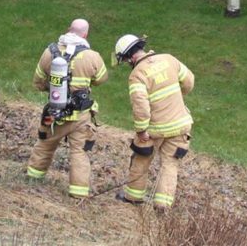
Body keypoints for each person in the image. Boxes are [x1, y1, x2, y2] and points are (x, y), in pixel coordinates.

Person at [26, 18, 109, 199]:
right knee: (79, 152)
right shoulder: (91, 56)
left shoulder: (50, 52)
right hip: (80, 116)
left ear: (68, 30)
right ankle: (78, 194)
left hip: (54, 114)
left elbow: (38, 82)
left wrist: (55, 89)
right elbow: (102, 79)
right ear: (85, 34)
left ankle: (32, 180)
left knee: (44, 145)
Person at [115, 33, 195, 210]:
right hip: (181, 125)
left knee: (141, 159)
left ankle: (133, 197)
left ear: (129, 57)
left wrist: (142, 130)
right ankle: (162, 206)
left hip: (155, 129)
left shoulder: (137, 74)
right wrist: (176, 98)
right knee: (170, 164)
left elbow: (140, 106)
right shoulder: (169, 59)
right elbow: (189, 82)